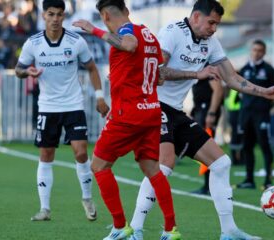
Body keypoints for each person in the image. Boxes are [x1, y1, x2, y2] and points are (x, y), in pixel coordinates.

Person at [128, 1, 274, 240]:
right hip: (152, 105)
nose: (214, 29)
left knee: (221, 163)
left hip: (175, 111)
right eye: (211, 22)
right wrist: (196, 73)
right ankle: (135, 230)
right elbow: (157, 73)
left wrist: (264, 92)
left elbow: (231, 78)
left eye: (217, 24)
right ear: (196, 17)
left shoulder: (210, 43)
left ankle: (229, 231)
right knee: (165, 164)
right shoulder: (172, 33)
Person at [72, 0, 181, 239]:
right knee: (152, 169)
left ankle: (120, 227)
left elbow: (129, 46)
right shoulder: (149, 35)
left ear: (104, 15)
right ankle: (171, 229)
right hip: (150, 109)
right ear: (127, 11)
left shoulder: (125, 32)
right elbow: (157, 68)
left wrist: (95, 31)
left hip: (130, 114)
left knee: (99, 165)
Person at [15, 0, 109, 222]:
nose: (55, 19)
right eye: (51, 14)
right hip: (47, 107)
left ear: (64, 16)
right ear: (43, 15)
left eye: (59, 15)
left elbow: (92, 68)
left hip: (73, 105)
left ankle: (87, 198)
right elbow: (18, 69)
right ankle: (45, 209)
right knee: (46, 155)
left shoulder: (76, 41)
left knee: (81, 151)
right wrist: (27, 72)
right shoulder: (33, 43)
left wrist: (99, 97)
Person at [235, 40, 274, 190]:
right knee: (247, 146)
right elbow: (239, 89)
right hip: (246, 114)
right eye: (254, 50)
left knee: (265, 146)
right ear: (250, 50)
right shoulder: (244, 69)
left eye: (260, 50)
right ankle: (249, 179)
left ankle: (268, 179)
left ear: (264, 52)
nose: (257, 53)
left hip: (261, 115)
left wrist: (268, 107)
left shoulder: (270, 71)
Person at [190, 64, 224, 195]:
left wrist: (211, 112)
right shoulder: (197, 68)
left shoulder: (209, 68)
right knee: (203, 149)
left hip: (207, 111)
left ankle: (211, 185)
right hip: (200, 110)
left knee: (207, 149)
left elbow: (218, 90)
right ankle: (208, 185)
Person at [225, 88, 244, 165]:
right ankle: (239, 159)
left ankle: (236, 159)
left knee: (236, 135)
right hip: (237, 113)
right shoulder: (238, 88)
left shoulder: (232, 89)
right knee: (239, 135)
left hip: (233, 113)